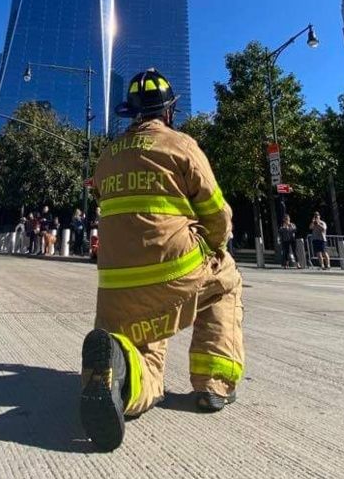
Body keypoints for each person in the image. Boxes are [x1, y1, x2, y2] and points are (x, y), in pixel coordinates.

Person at [80, 68, 244, 452]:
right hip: (174, 273)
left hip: (115, 289)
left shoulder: (106, 157)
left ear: (130, 113)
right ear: (169, 111)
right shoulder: (182, 146)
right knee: (227, 282)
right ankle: (213, 384)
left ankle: (120, 378)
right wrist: (216, 247)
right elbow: (217, 215)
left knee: (142, 353)